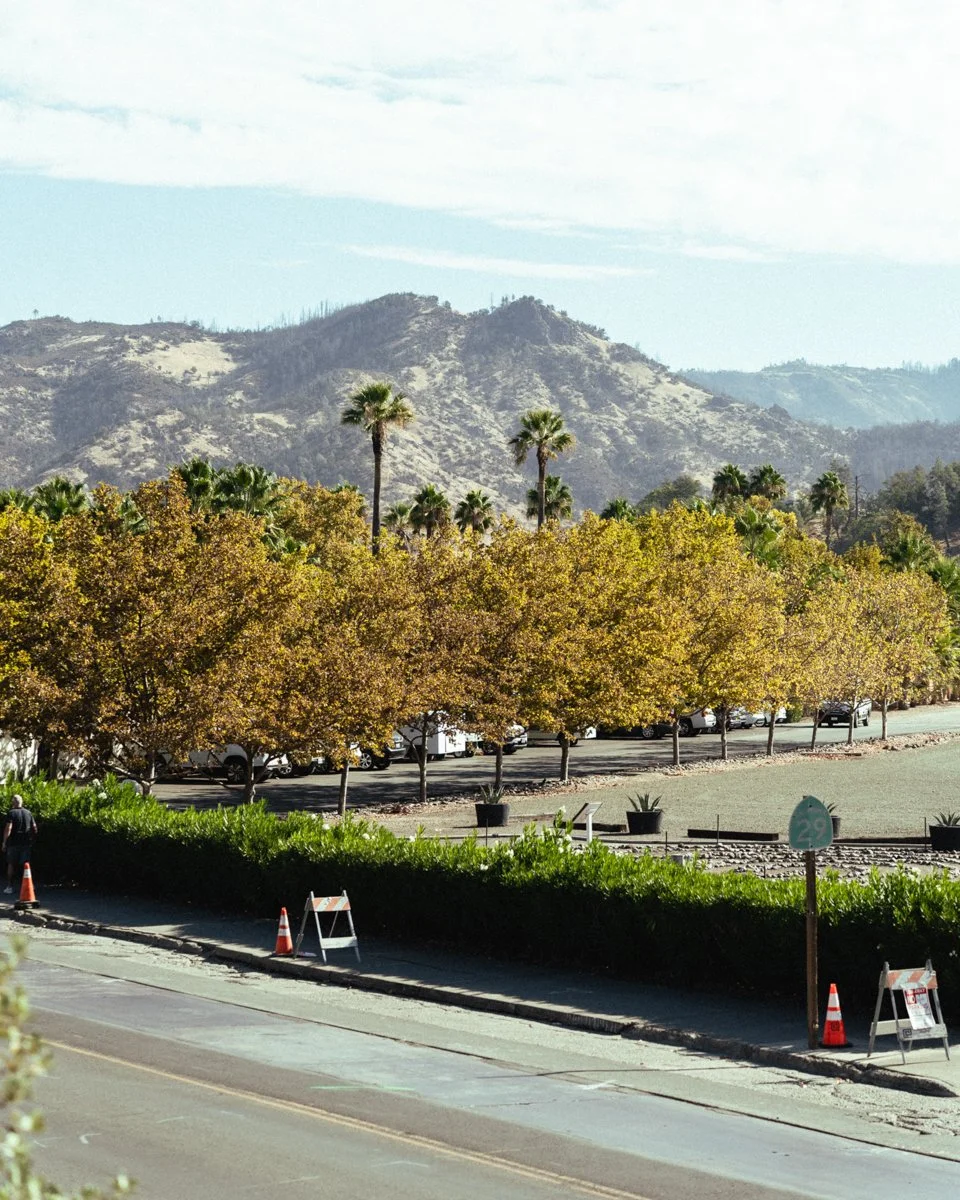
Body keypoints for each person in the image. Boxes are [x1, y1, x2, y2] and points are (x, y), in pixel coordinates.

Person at [3, 794, 37, 894]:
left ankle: (10, 886)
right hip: (26, 842)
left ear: (13, 803)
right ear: (21, 802)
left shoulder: (11, 813)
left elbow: (8, 828)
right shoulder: (28, 813)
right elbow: (34, 828)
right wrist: (32, 839)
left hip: (13, 842)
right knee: (26, 864)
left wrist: (4, 842)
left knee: (11, 864)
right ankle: (29, 884)